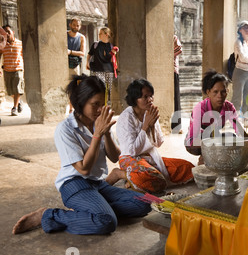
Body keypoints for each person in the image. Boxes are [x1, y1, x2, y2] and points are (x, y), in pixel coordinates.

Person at [11, 75, 152, 235]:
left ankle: (93, 210)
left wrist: (105, 134)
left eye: (103, 104)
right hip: (74, 184)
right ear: (81, 102)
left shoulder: (99, 122)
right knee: (106, 222)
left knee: (145, 203)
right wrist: (98, 134)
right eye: (95, 104)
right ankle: (48, 215)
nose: (100, 109)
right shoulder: (65, 129)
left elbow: (115, 157)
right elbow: (83, 169)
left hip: (98, 184)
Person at [115, 78, 194, 194]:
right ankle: (121, 174)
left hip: (150, 157)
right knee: (152, 179)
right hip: (129, 158)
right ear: (135, 99)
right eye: (145, 97)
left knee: (187, 168)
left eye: (151, 96)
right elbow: (131, 151)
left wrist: (152, 126)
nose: (150, 100)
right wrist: (145, 126)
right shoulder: (126, 118)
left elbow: (158, 143)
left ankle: (135, 179)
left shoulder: (150, 112)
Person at [185, 70, 245, 163]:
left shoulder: (229, 107)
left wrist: (247, 143)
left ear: (227, 91)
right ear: (208, 92)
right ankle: (203, 159)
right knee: (212, 148)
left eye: (223, 92)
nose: (219, 96)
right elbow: (193, 141)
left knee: (232, 137)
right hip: (194, 143)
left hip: (214, 138)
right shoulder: (200, 108)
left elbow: (239, 129)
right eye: (215, 92)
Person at [87, 27, 118, 105]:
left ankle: (107, 106)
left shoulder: (111, 46)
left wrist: (113, 53)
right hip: (97, 69)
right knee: (100, 88)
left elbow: (112, 60)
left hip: (109, 70)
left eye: (101, 33)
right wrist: (87, 62)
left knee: (109, 90)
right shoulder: (95, 44)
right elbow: (89, 54)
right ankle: (99, 104)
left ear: (106, 35)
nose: (99, 35)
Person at [0, 25, 24, 116]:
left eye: (8, 32)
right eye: (5, 32)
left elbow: (24, 56)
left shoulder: (20, 44)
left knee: (17, 89)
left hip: (18, 69)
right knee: (10, 92)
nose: (7, 34)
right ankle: (18, 101)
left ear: (13, 32)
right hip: (7, 70)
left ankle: (14, 108)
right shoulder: (3, 45)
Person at [67, 18, 86, 113]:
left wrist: (70, 52)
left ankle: (71, 108)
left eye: (77, 25)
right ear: (70, 24)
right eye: (74, 25)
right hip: (62, 64)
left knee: (74, 87)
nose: (76, 27)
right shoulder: (64, 35)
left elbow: (82, 53)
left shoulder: (81, 37)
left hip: (74, 65)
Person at [172, 34, 183, 133]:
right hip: (163, 71)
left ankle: (176, 125)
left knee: (175, 99)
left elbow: (179, 50)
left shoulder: (173, 37)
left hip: (173, 71)